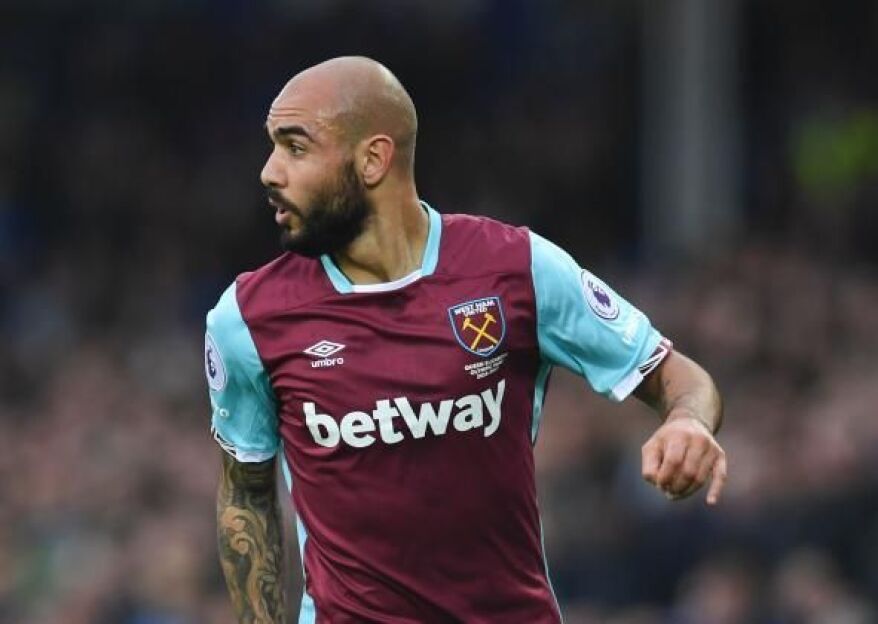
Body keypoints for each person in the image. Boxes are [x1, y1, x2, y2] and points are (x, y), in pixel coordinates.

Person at [205, 56, 726, 624]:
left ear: (373, 159)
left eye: (295, 147)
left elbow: (678, 377)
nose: (269, 172)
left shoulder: (515, 268)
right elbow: (246, 491)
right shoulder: (248, 317)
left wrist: (688, 421)